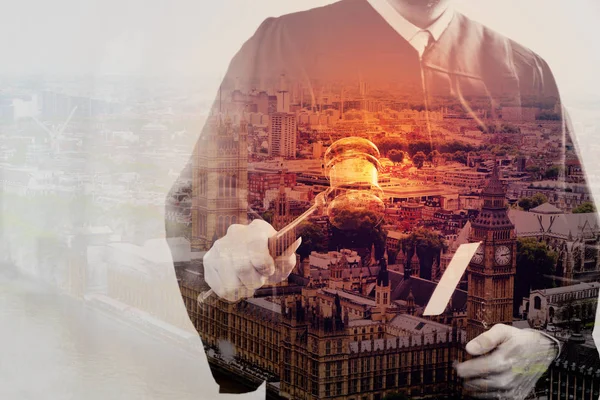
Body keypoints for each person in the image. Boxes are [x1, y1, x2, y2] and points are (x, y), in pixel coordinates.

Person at [166, 0, 599, 398]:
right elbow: (176, 209)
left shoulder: (529, 70)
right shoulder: (278, 41)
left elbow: (588, 293)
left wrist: (547, 345)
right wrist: (219, 259)